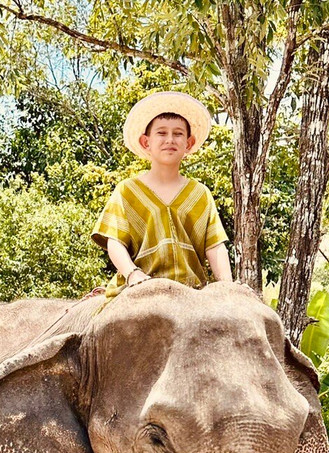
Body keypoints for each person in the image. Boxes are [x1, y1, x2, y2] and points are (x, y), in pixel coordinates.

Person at [92, 91, 233, 298]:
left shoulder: (200, 194)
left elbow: (215, 246)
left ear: (189, 143)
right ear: (146, 142)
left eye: (178, 134)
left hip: (193, 292)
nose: (170, 140)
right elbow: (115, 241)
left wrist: (228, 289)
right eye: (161, 133)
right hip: (139, 289)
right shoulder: (127, 190)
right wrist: (133, 275)